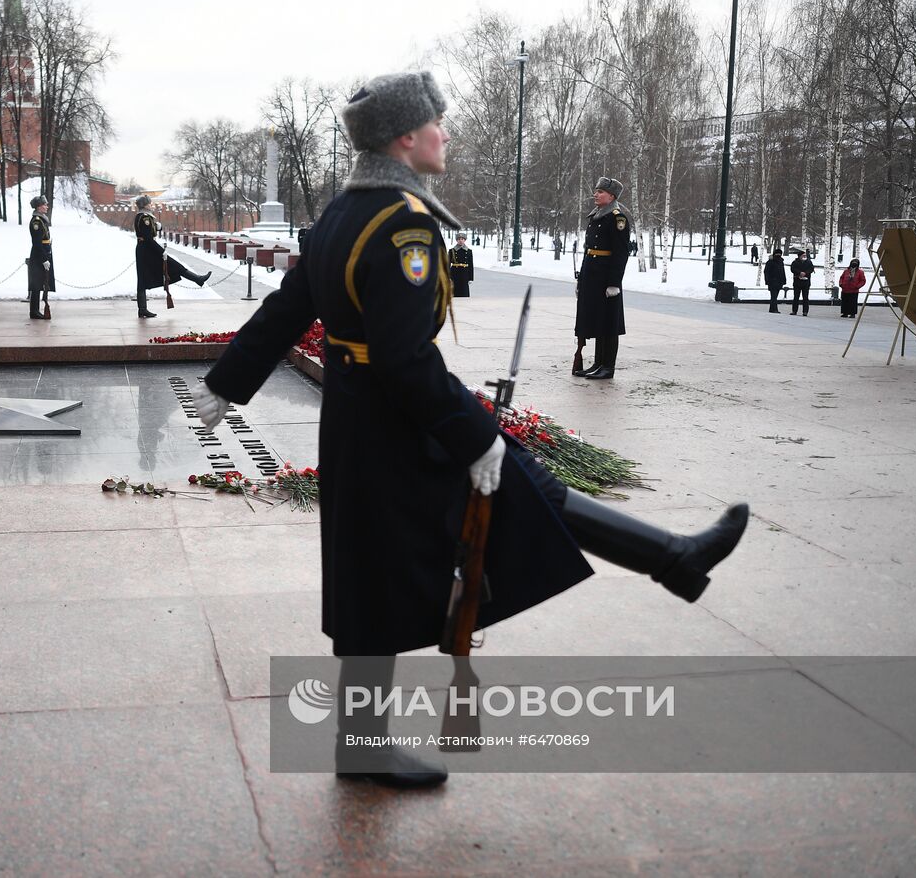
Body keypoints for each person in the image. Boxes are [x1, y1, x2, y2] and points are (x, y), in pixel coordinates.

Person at [188, 71, 748, 789]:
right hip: (399, 422)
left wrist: (224, 383)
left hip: (362, 419)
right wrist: (473, 434)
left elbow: (288, 308)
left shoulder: (340, 214)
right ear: (404, 138)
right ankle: (362, 745)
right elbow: (401, 356)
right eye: (437, 123)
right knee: (386, 572)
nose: (446, 133)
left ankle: (672, 557)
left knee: (470, 517)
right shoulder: (403, 224)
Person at [573, 176, 631, 379]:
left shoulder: (617, 218)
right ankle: (598, 363)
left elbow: (621, 253)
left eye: (600, 192)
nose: (595, 195)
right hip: (592, 275)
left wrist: (614, 283)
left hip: (606, 278)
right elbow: (589, 250)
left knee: (609, 323)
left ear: (612, 196)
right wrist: (582, 280)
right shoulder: (597, 215)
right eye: (596, 191)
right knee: (598, 320)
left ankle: (608, 366)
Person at [132, 195, 212, 318]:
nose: (151, 204)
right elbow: (148, 238)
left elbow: (148, 232)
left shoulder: (145, 217)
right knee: (144, 278)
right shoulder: (144, 218)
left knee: (172, 266)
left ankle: (198, 279)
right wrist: (161, 252)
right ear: (144, 205)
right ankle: (142, 309)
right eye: (149, 203)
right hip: (147, 250)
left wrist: (158, 227)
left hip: (147, 249)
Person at [27, 195, 54, 320]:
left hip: (43, 254)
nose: (47, 206)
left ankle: (36, 310)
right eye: (44, 205)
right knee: (36, 285)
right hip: (39, 256)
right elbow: (37, 243)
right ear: (39, 207)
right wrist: (44, 260)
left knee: (39, 284)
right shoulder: (37, 222)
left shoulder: (42, 220)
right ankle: (34, 311)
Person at [789, 248, 815, 316]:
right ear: (799, 256)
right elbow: (792, 269)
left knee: (805, 297)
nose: (804, 256)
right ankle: (794, 311)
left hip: (806, 282)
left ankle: (805, 311)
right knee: (796, 297)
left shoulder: (809, 262)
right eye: (803, 255)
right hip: (797, 281)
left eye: (805, 255)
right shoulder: (795, 262)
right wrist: (799, 273)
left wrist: (805, 273)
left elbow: (811, 269)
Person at [448, 231, 474, 297]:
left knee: (464, 292)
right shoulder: (452, 251)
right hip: (454, 273)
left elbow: (471, 265)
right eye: (459, 239)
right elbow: (447, 264)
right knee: (454, 292)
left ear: (465, 240)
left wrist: (471, 278)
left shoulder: (469, 251)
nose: (460, 241)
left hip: (464, 273)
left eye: (462, 239)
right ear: (456, 240)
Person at [764, 247, 788, 313]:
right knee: (774, 296)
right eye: (777, 254)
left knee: (774, 296)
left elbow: (782, 271)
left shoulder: (781, 262)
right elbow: (766, 272)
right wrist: (767, 281)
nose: (778, 256)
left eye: (780, 254)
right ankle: (774, 309)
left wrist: (784, 280)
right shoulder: (770, 262)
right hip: (772, 281)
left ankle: (772, 308)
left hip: (779, 281)